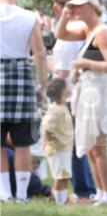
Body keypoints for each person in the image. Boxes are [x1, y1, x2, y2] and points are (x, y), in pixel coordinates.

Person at [55, 0, 107, 206]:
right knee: (92, 147)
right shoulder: (87, 30)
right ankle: (101, 192)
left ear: (91, 7)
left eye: (78, 6)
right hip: (88, 91)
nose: (75, 10)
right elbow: (60, 34)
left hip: (100, 91)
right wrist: (65, 16)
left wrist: (86, 64)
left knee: (100, 147)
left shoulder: (102, 32)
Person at [0, 0, 48, 203]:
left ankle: (5, 195)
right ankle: (21, 195)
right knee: (23, 143)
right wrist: (43, 85)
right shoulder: (30, 16)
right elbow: (39, 53)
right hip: (21, 76)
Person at [49, 0, 96, 200]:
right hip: (76, 91)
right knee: (78, 143)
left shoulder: (72, 32)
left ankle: (84, 188)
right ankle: (86, 186)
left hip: (69, 93)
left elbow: (65, 69)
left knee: (73, 144)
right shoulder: (79, 29)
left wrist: (51, 67)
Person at [41, 78, 74, 206]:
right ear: (63, 91)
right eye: (68, 86)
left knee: (61, 175)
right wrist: (54, 143)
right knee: (62, 175)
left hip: (63, 148)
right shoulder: (56, 109)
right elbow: (48, 128)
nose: (71, 88)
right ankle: (61, 201)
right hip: (58, 149)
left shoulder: (61, 107)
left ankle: (57, 198)